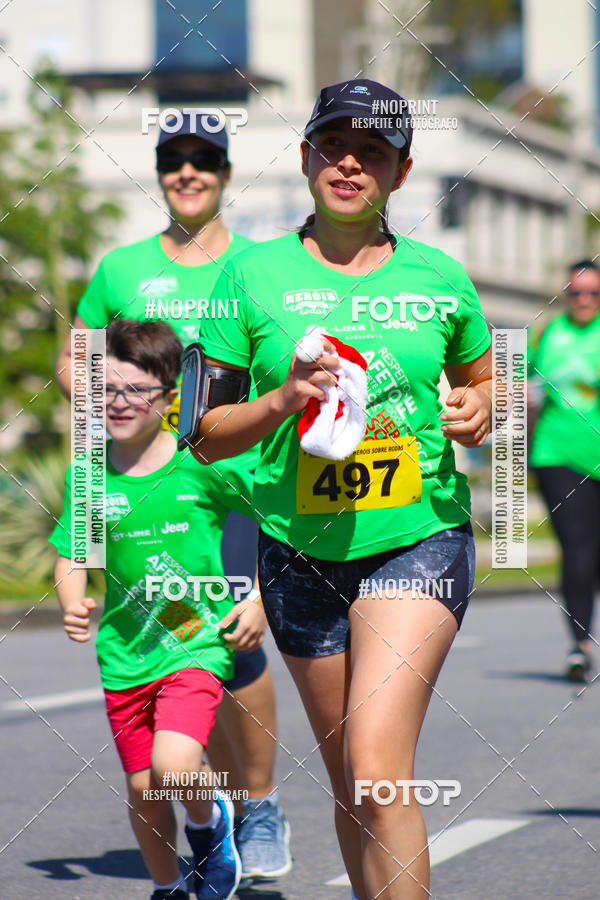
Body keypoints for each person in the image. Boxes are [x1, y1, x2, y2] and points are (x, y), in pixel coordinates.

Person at [186, 78, 493, 900]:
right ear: (305, 157)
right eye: (333, 145)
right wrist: (284, 397)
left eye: (374, 152)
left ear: (401, 170)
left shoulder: (441, 278)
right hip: (296, 549)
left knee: (377, 770)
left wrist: (480, 406)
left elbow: (486, 379)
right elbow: (203, 432)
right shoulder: (249, 277)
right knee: (352, 788)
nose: (350, 163)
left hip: (416, 536)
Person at [54, 113, 291, 879]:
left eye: (204, 161)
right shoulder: (122, 268)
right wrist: (106, 410)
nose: (188, 173)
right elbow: (76, 357)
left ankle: (257, 807)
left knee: (239, 649)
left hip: (233, 476)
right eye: (173, 161)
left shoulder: (261, 263)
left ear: (225, 173)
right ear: (159, 174)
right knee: (178, 647)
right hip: (150, 474)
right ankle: (204, 798)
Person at [50, 318, 269, 900]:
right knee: (144, 789)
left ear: (169, 397)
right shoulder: (90, 475)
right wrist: (73, 599)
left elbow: (280, 526)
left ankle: (209, 825)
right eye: (106, 389)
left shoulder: (202, 463)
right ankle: (168, 885)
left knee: (175, 765)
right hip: (124, 654)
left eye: (135, 391)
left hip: (193, 640)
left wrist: (260, 601)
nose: (118, 403)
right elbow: (75, 554)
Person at [528, 259, 600, 682]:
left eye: (594, 294)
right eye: (577, 293)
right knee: (577, 550)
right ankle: (579, 646)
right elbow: (513, 379)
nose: (585, 301)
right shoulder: (547, 334)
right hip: (556, 454)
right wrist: (521, 393)